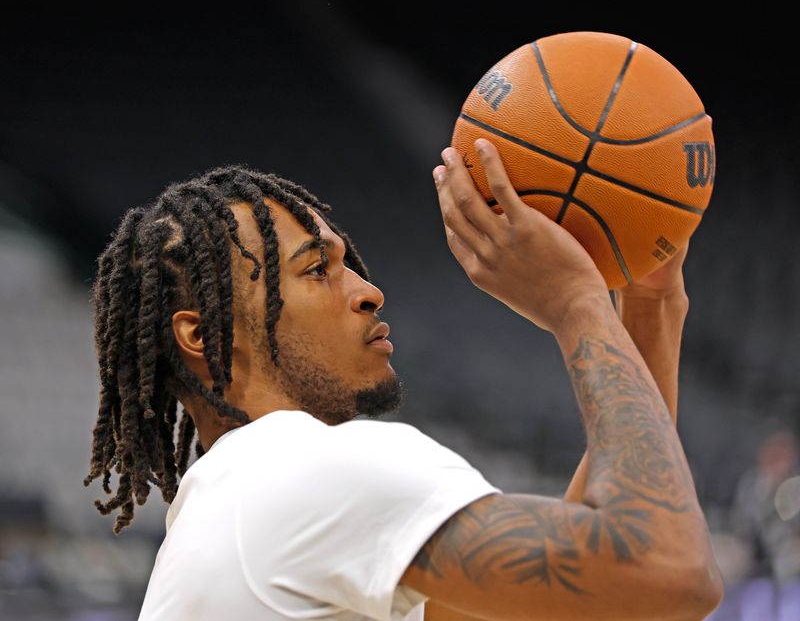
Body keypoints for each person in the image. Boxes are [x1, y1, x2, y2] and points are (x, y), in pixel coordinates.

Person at [84, 138, 723, 621]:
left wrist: (651, 308)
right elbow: (669, 574)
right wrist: (578, 303)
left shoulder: (257, 501)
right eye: (317, 270)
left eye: (348, 264)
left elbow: (600, 606)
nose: (368, 291)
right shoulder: (299, 471)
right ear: (202, 337)